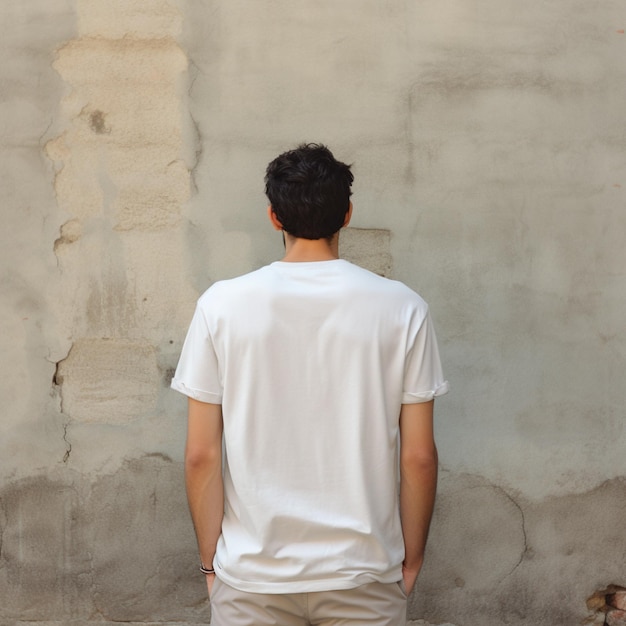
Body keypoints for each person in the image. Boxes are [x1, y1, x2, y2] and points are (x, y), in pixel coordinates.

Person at [171, 143, 449, 625]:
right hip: (362, 574)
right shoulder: (402, 308)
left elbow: (201, 455)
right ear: (347, 213)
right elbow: (419, 456)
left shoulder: (222, 306)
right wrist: (412, 558)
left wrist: (210, 565)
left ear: (274, 217)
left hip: (252, 577)